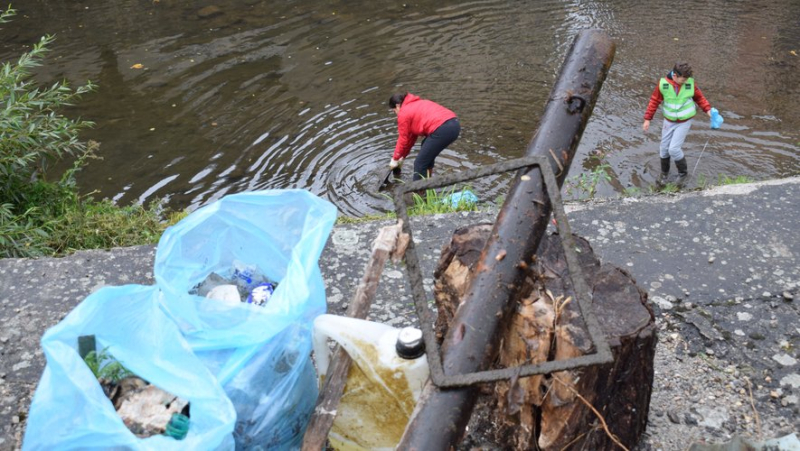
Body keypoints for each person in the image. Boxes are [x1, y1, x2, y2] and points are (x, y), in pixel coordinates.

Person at [642, 61, 712, 185]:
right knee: (663, 149)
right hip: (669, 120)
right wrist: (648, 119)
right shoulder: (663, 84)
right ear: (674, 75)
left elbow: (700, 98)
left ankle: (683, 174)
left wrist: (709, 112)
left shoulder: (690, 83)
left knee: (673, 149)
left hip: (684, 121)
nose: (684, 81)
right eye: (682, 79)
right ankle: (664, 174)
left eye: (686, 79)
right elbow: (654, 101)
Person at [388, 92, 460, 181]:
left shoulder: (403, 112)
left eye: (394, 111)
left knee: (419, 163)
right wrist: (402, 157)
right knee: (425, 146)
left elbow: (403, 139)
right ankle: (428, 183)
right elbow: (410, 139)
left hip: (442, 129)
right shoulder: (416, 104)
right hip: (454, 124)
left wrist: (395, 158)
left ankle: (418, 193)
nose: (396, 114)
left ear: (398, 106)